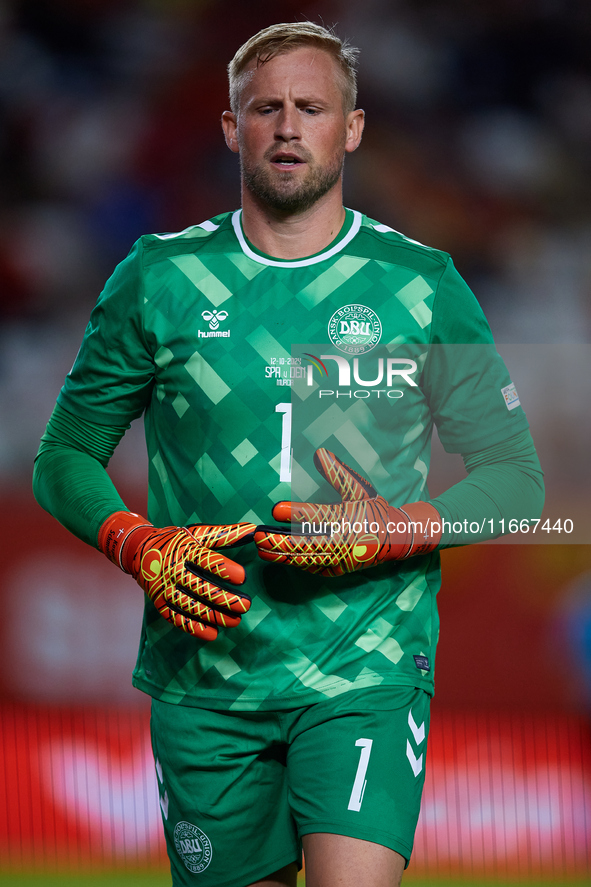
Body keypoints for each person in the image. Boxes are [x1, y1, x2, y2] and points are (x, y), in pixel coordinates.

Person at [33, 21, 544, 887]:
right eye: (264, 108)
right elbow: (64, 455)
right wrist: (134, 541)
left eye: (311, 107)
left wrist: (398, 529)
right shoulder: (158, 278)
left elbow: (518, 481)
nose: (286, 126)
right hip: (206, 673)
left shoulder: (420, 284)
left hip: (364, 662)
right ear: (231, 128)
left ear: (350, 128)